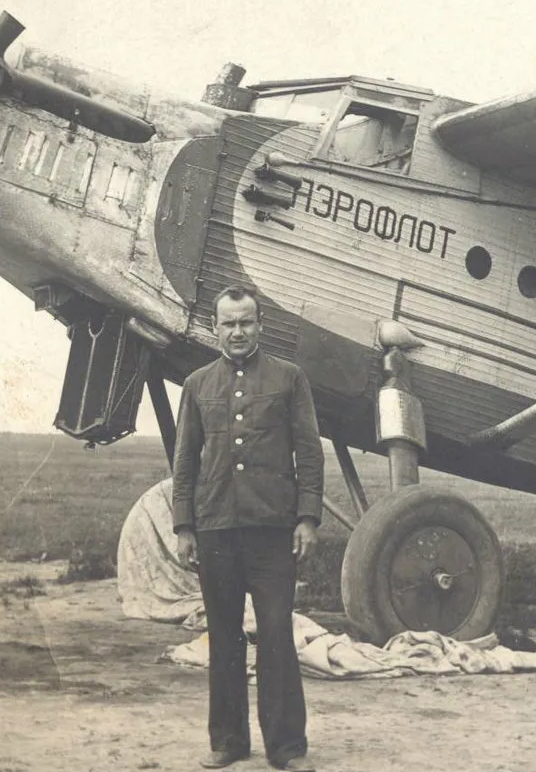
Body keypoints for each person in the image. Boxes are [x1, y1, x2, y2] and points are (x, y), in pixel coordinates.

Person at [172, 284, 323, 772]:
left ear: (260, 326)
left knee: (277, 633)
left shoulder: (289, 378)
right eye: (228, 323)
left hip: (272, 531)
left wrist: (306, 517)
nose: (237, 331)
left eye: (246, 322)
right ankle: (229, 741)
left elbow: (309, 452)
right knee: (224, 635)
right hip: (215, 529)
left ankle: (287, 748)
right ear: (215, 328)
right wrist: (184, 527)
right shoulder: (197, 385)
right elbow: (185, 464)